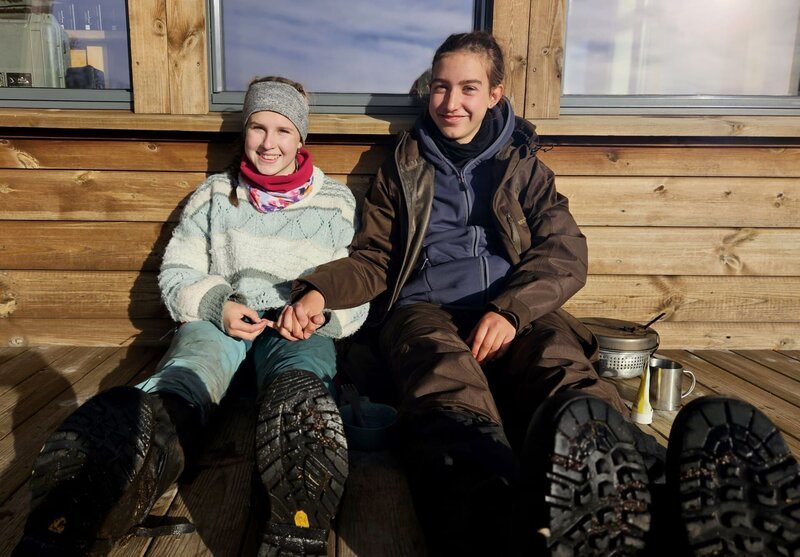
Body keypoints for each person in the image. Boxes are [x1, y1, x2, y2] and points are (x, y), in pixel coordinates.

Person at [276, 31, 800, 556]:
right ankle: (487, 518)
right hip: (423, 309)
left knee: (560, 365)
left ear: (495, 94)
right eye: (440, 87)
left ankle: (645, 490)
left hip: (514, 306)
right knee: (443, 377)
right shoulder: (403, 167)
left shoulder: (523, 166)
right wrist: (320, 291)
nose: (451, 102)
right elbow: (375, 259)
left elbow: (564, 252)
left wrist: (511, 310)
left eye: (468, 88)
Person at [14, 76, 368, 556]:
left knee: (300, 374)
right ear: (244, 132)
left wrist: (317, 314)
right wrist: (216, 305)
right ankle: (130, 457)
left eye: (283, 131)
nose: (269, 143)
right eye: (258, 128)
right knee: (192, 367)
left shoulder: (336, 202)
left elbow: (356, 286)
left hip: (292, 325)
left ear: (301, 137)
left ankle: (297, 482)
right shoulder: (214, 194)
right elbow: (178, 270)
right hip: (226, 320)